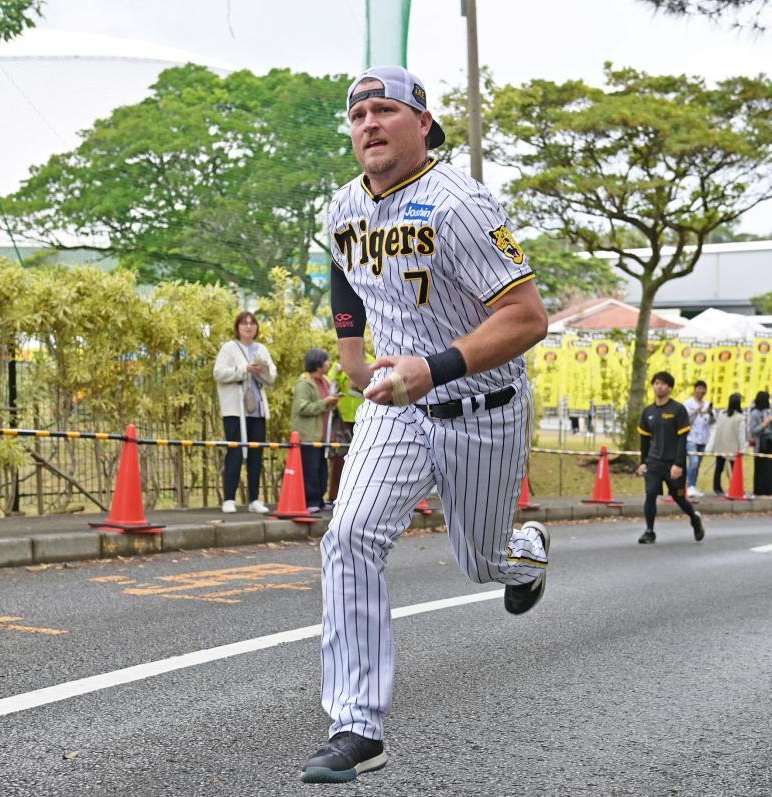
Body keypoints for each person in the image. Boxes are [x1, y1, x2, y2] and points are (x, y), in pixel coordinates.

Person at [300, 66, 551, 784]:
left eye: (386, 110)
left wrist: (433, 368)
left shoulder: (461, 204)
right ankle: (356, 724)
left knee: (482, 563)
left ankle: (525, 551)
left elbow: (528, 318)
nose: (370, 124)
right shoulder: (344, 205)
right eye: (358, 115)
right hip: (397, 406)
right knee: (348, 536)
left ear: (422, 121)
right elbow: (344, 266)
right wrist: (353, 351)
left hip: (484, 407)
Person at [212, 310, 277, 514]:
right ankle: (229, 498)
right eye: (244, 323)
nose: (248, 327)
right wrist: (243, 370)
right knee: (235, 452)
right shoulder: (229, 348)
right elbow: (218, 373)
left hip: (257, 410)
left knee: (256, 454)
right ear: (237, 327)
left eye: (252, 323)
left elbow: (272, 376)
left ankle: (254, 499)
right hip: (235, 410)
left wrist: (261, 370)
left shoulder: (262, 349)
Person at [635, 371, 706, 544]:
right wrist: (643, 463)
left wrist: (679, 464)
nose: (659, 386)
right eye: (656, 383)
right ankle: (649, 531)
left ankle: (694, 518)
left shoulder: (677, 410)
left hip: (673, 463)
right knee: (650, 493)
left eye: (663, 384)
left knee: (679, 497)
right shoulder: (648, 412)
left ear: (670, 388)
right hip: (653, 462)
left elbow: (683, 440)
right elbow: (644, 440)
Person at [290, 349, 340, 512]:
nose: (329, 364)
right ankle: (310, 501)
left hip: (322, 434)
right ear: (318, 363)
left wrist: (332, 403)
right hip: (308, 434)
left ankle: (319, 500)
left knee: (321, 469)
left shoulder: (325, 381)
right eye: (326, 361)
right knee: (310, 469)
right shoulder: (305, 383)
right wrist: (325, 403)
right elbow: (302, 407)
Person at [324, 359, 369, 504]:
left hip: (363, 417)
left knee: (364, 459)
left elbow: (380, 384)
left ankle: (360, 497)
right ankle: (334, 496)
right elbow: (329, 383)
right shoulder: (339, 363)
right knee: (338, 458)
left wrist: (360, 386)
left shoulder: (370, 361)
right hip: (341, 416)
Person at [708, 391, 746, 497]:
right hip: (733, 447)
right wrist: (742, 449)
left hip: (720, 445)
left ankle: (717, 488)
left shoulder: (722, 414)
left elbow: (717, 430)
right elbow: (741, 435)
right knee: (735, 470)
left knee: (719, 468)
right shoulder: (740, 418)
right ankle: (736, 489)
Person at [683, 379, 714, 498]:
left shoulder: (707, 404)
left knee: (698, 464)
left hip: (703, 438)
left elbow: (713, 422)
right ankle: (689, 486)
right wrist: (697, 410)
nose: (701, 390)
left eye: (703, 388)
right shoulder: (688, 404)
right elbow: (685, 420)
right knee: (693, 462)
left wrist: (710, 413)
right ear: (695, 390)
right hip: (690, 438)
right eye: (699, 388)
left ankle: (693, 486)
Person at [748, 390, 772, 497]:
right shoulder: (754, 413)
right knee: (761, 468)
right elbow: (753, 430)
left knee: (771, 468)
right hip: (761, 443)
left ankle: (771, 489)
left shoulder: (768, 411)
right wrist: (764, 424)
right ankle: (760, 490)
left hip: (771, 442)